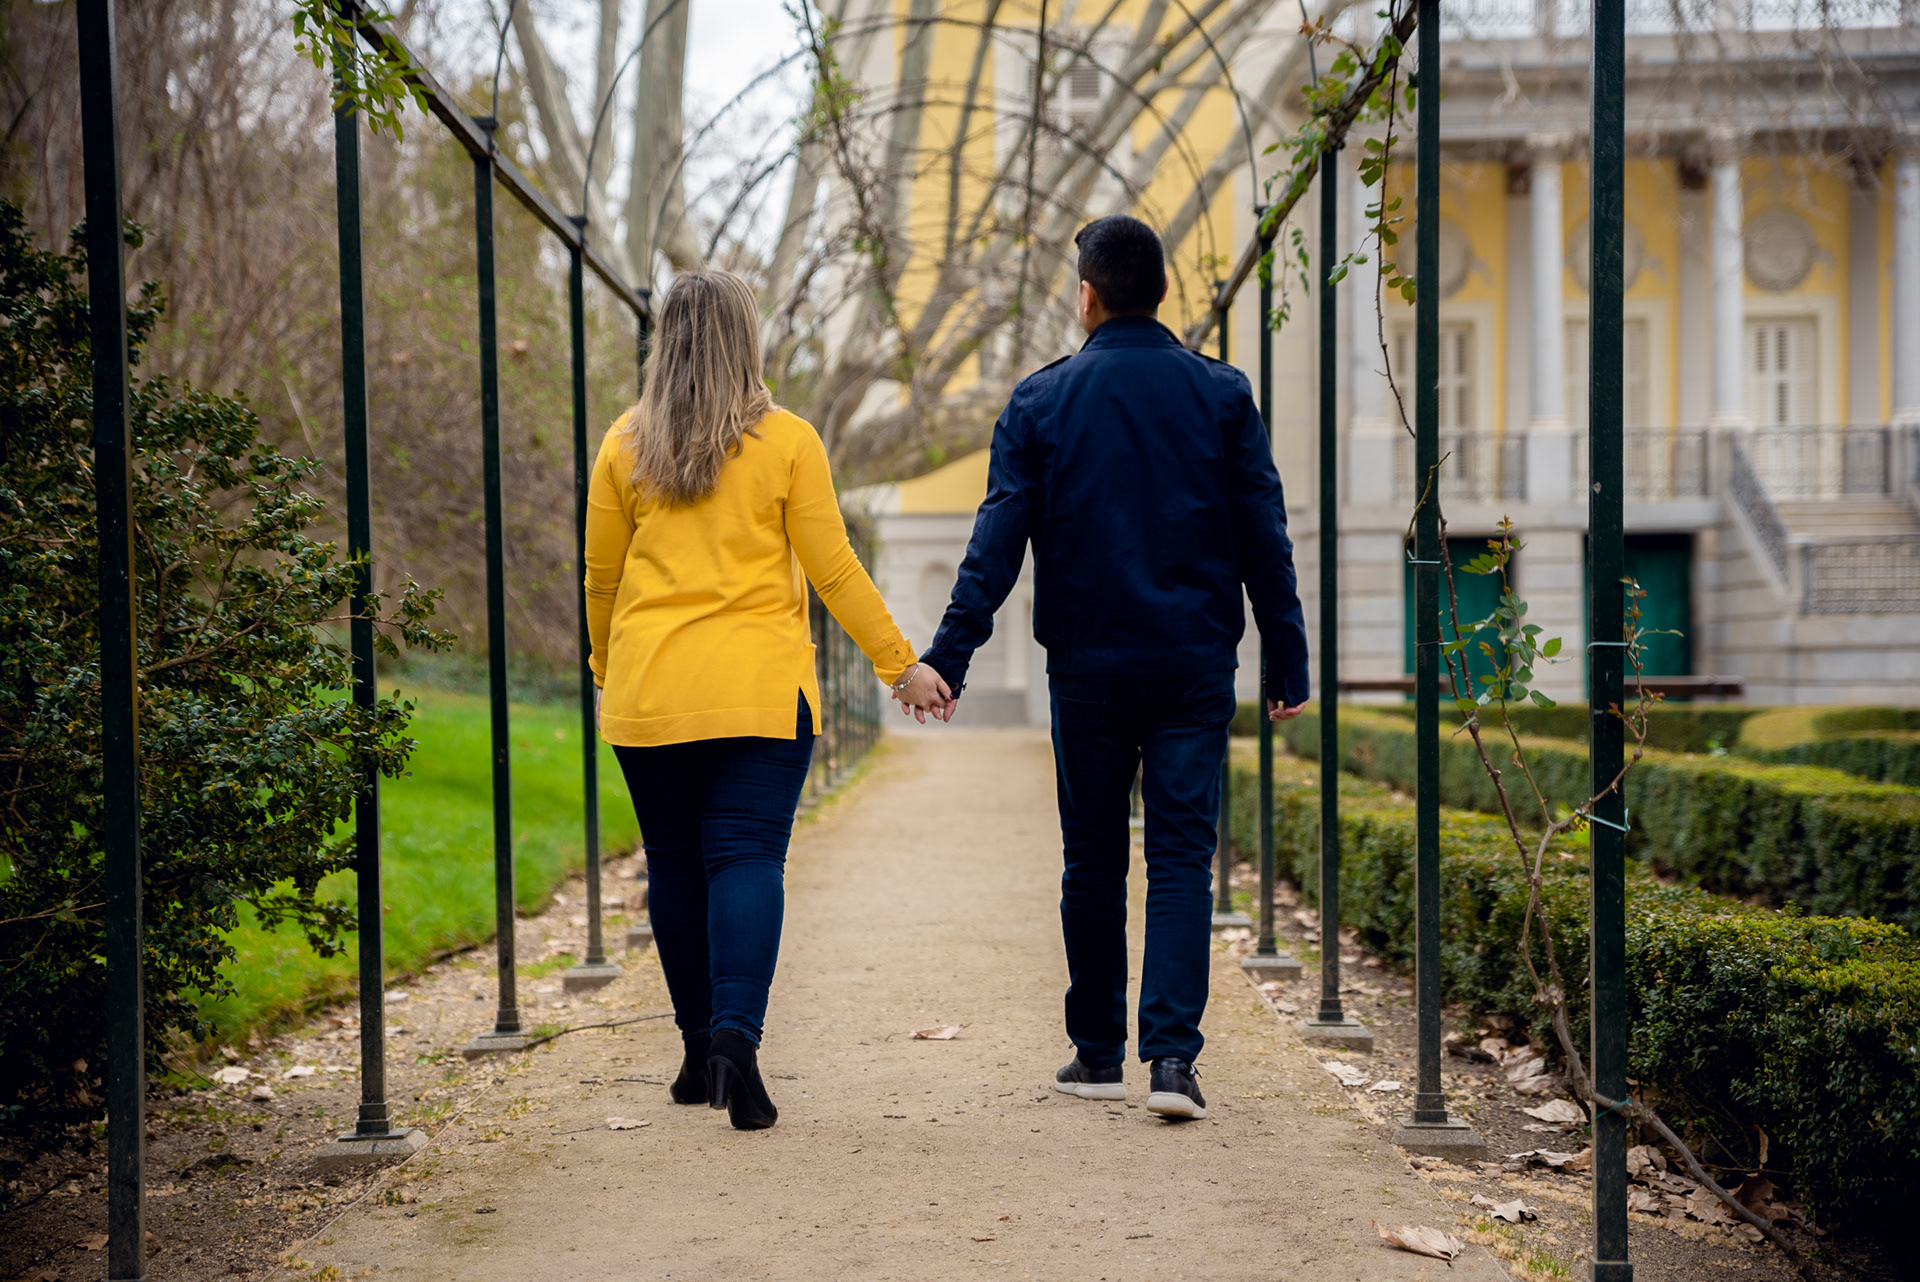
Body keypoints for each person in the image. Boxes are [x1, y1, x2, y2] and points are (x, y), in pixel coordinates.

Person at [918, 215, 1309, 1121]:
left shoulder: (1041, 401)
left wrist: (949, 656)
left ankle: (1097, 1056)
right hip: (1193, 666)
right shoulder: (1222, 394)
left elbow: (995, 544)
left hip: (1088, 669)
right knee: (1180, 858)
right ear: (1162, 293)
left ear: (1086, 296)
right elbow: (1265, 535)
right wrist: (1286, 657)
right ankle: (1171, 1063)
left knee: (1092, 859)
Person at [586, 270, 951, 1131]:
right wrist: (902, 667)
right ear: (746, 341)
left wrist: (607, 665)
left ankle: (694, 1050)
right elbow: (835, 570)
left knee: (675, 866)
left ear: (664, 343)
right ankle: (735, 1044)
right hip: (760, 695)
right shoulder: (788, 440)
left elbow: (602, 577)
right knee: (747, 859)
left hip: (650, 691)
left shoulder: (623, 445)